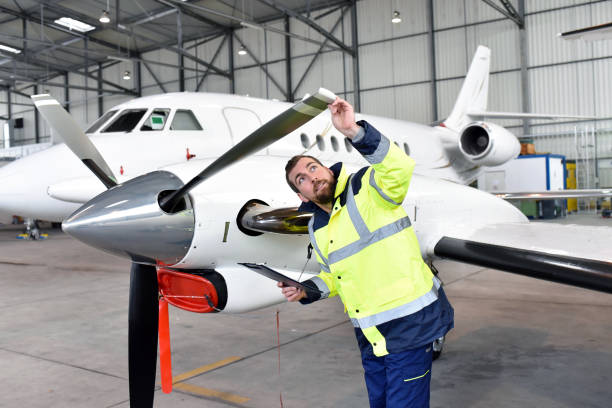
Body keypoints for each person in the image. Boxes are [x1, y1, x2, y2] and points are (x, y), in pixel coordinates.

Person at [279, 97, 454, 408]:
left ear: (327, 169)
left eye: (313, 167)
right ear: (300, 194)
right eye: (301, 179)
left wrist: (353, 131)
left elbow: (398, 169)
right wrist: (304, 290)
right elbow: (335, 277)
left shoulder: (366, 187)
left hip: (409, 326)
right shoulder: (318, 228)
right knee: (381, 403)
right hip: (371, 334)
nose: (312, 177)